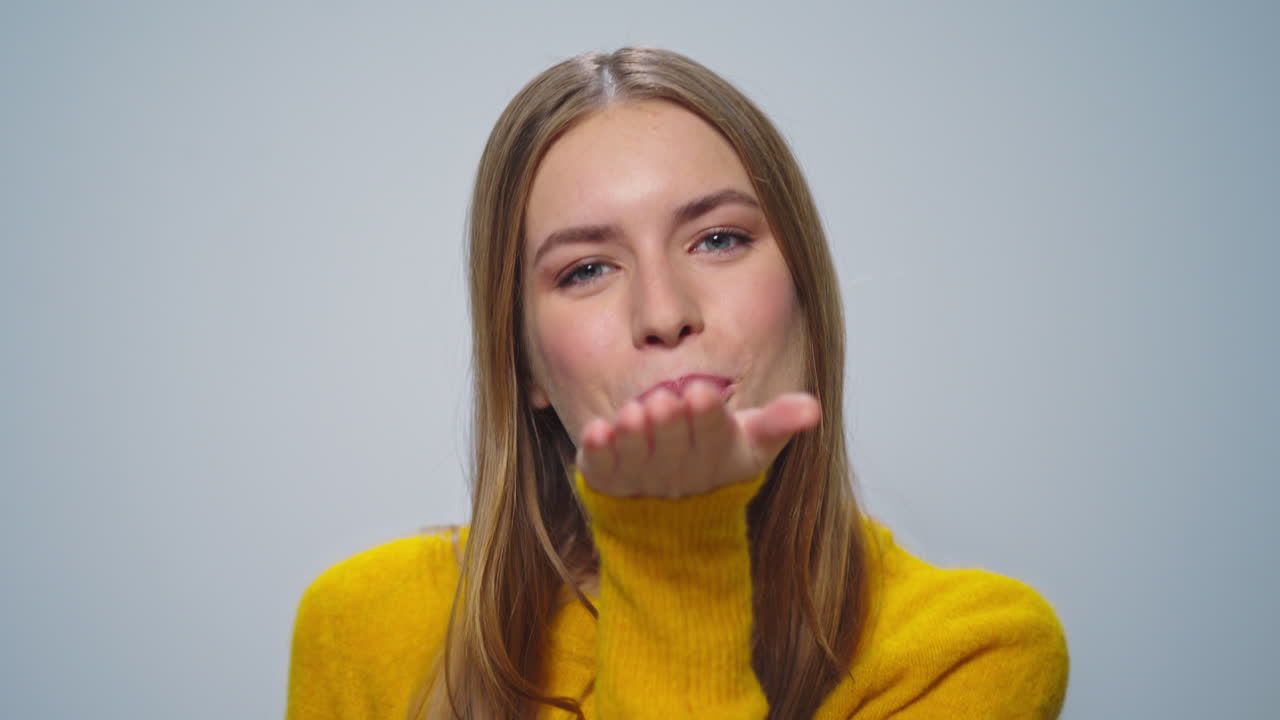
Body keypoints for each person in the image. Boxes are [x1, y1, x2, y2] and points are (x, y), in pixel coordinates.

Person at [285, 47, 1069, 719]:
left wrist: (673, 552)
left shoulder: (970, 651)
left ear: (805, 291)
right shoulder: (364, 626)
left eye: (718, 239)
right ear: (524, 364)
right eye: (585, 270)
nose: (664, 314)